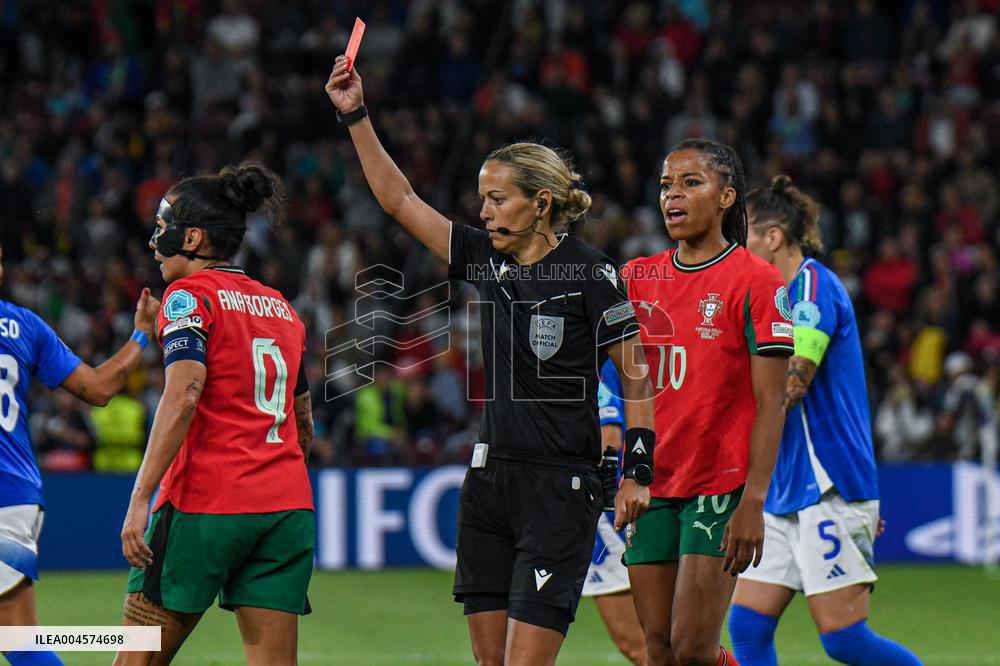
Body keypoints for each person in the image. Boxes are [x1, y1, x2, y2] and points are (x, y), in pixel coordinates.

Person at [326, 56, 656, 666]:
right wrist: (356, 117)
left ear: (542, 203)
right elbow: (399, 200)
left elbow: (634, 372)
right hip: (488, 482)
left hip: (561, 484)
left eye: (497, 200)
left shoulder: (591, 272)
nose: (483, 213)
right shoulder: (486, 259)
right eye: (482, 199)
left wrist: (637, 465)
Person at [115, 164, 315, 666]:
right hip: (286, 507)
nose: (155, 241)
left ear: (194, 237)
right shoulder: (281, 308)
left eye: (163, 228)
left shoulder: (187, 297)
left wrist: (141, 498)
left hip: (206, 504)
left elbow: (183, 397)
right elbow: (303, 419)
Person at [730, 175, 922, 666]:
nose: (737, 243)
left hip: (830, 482)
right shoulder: (764, 297)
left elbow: (794, 385)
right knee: (748, 627)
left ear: (773, 238)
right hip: (781, 488)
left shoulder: (814, 288)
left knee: (844, 640)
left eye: (745, 232)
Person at [619, 138, 793, 666]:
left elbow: (772, 401)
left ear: (726, 197)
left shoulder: (756, 281)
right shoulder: (635, 279)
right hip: (652, 483)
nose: (673, 195)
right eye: (667, 185)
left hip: (719, 483)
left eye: (691, 183)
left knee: (693, 648)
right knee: (660, 650)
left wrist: (754, 502)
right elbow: (617, 382)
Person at [0, 243, 158, 666]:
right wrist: (141, 333)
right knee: (15, 633)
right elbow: (99, 388)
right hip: (15, 496)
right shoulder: (23, 326)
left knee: (16, 633)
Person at [584, 358, 647, 665]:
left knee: (638, 644)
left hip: (611, 514)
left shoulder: (602, 367)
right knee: (666, 638)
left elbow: (609, 439)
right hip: (626, 506)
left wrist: (604, 503)